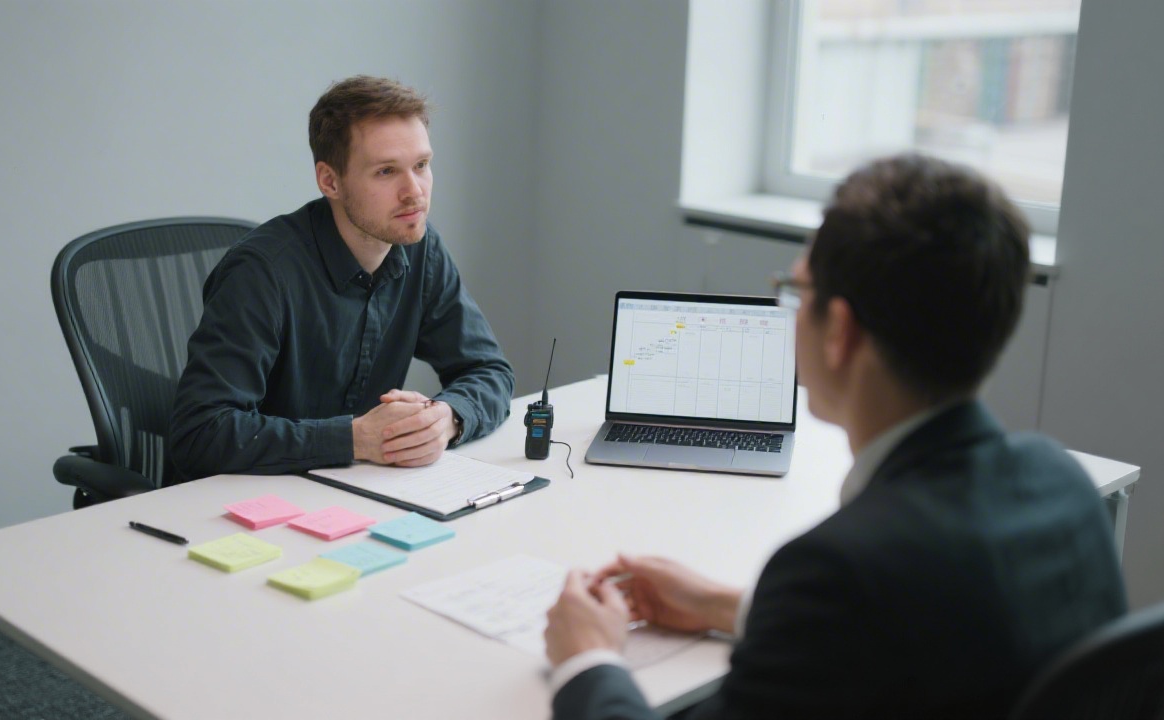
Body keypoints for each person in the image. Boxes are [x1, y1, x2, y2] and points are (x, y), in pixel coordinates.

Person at [544, 154, 1127, 719]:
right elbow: (935, 637)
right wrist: (728, 606)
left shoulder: (838, 571)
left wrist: (587, 660)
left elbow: (860, 620)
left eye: (797, 292)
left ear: (839, 331)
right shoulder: (1063, 485)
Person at [169, 75, 513, 481]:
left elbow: (489, 370)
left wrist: (448, 418)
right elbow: (200, 433)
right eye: (386, 172)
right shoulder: (261, 272)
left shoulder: (419, 246)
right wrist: (355, 440)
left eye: (421, 165)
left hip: (347, 492)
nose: (414, 192)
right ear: (330, 181)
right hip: (238, 507)